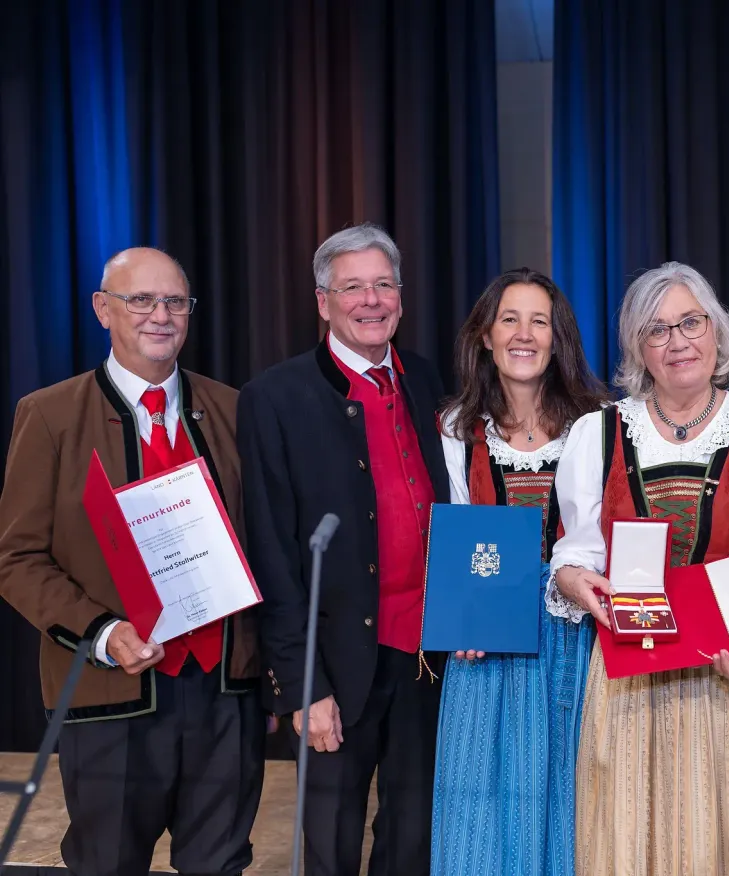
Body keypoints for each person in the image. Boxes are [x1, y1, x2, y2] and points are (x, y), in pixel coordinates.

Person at [0, 248, 263, 875]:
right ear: (102, 309)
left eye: (175, 302)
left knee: (221, 863)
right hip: (110, 696)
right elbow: (17, 559)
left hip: (223, 694)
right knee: (107, 863)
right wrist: (102, 631)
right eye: (140, 300)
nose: (160, 316)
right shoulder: (50, 416)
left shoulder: (235, 410)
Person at [550, 261, 729, 876]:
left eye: (691, 322)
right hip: (630, 676)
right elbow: (575, 552)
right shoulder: (596, 433)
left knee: (725, 838)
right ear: (638, 348)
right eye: (657, 329)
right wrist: (573, 580)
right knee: (629, 839)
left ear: (717, 330)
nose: (678, 342)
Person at [238, 223, 451, 876]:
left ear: (401, 298)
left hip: (425, 655)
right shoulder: (274, 397)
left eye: (383, 284)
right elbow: (271, 553)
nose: (371, 300)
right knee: (330, 846)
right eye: (352, 287)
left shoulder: (424, 377)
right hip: (333, 664)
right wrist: (304, 686)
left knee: (414, 838)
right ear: (323, 301)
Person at [429, 268, 609, 875]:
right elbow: (453, 535)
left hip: (575, 632)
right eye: (509, 319)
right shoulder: (456, 428)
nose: (524, 334)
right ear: (486, 335)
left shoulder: (597, 423)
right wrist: (461, 621)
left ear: (559, 339)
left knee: (568, 790)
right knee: (479, 792)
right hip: (488, 635)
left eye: (540, 321)